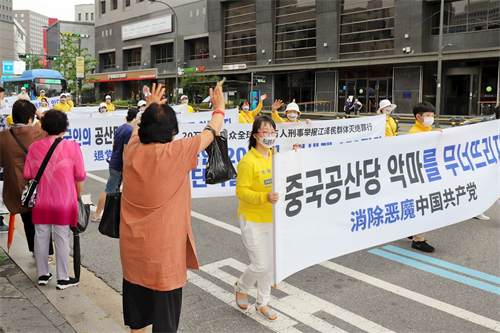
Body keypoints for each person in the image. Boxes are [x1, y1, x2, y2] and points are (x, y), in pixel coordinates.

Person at [119, 82, 224, 332]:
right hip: (164, 256)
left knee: (137, 318)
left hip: (133, 252)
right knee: (165, 323)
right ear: (173, 132)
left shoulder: (131, 150)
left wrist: (151, 106)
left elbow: (138, 127)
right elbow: (210, 134)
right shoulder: (175, 153)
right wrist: (219, 108)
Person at [24, 110, 86, 289]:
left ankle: (43, 275)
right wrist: (77, 197)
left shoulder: (35, 147)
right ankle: (62, 278)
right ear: (64, 128)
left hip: (41, 202)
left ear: (43, 127)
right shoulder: (72, 146)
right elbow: (80, 176)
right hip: (64, 202)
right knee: (62, 238)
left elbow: (28, 173)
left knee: (41, 237)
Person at [234, 115, 280, 321]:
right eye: (264, 131)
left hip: (275, 220)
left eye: (272, 131)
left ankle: (262, 302)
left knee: (271, 263)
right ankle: (242, 287)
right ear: (255, 135)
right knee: (261, 264)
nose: (269, 135)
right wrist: (265, 197)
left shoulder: (278, 156)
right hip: (252, 219)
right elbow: (241, 192)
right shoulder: (247, 161)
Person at [0, 100, 54, 258]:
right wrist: (39, 114)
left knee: (27, 219)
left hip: (17, 186)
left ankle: (34, 250)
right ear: (31, 118)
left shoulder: (3, 137)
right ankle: (46, 253)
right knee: (42, 221)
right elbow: (51, 124)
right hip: (40, 186)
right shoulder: (39, 132)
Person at [92, 108, 139, 222]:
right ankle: (96, 214)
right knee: (109, 190)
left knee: (114, 190)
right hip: (119, 165)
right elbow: (125, 150)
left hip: (115, 162)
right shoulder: (129, 131)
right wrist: (125, 167)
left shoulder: (121, 128)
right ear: (135, 118)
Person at [407, 101, 440, 253]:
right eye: (428, 115)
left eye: (432, 115)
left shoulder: (428, 130)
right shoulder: (415, 134)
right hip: (420, 176)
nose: (431, 118)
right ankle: (418, 241)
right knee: (423, 207)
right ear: (419, 117)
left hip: (426, 174)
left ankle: (410, 231)